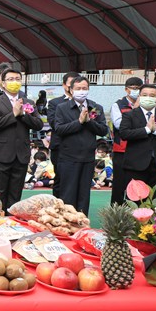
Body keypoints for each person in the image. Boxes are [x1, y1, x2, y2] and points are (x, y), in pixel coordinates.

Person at [0, 69, 45, 212]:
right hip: (1, 154)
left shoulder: (28, 102)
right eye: (11, 79)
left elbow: (38, 124)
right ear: (3, 83)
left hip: (21, 155)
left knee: (15, 194)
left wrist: (23, 114)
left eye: (18, 79)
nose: (15, 82)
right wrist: (13, 114)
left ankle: (13, 223)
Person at [53, 76, 109, 214]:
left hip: (88, 157)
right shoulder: (62, 108)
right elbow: (59, 129)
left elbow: (103, 130)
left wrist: (89, 121)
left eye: (84, 88)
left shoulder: (95, 107)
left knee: (84, 194)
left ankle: (82, 223)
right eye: (78, 88)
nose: (81, 91)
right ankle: (66, 222)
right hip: (68, 157)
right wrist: (79, 122)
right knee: (68, 193)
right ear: (71, 90)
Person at [109, 76, 144, 204]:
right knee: (120, 183)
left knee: (138, 184)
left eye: (138, 89)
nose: (136, 91)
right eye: (133, 88)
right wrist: (135, 111)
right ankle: (116, 212)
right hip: (122, 149)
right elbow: (119, 125)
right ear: (126, 90)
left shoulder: (146, 105)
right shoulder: (118, 105)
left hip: (140, 149)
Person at [46, 72, 79, 199]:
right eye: (71, 84)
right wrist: (78, 123)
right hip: (60, 147)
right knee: (60, 179)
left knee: (77, 179)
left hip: (79, 147)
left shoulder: (87, 104)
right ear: (64, 85)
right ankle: (58, 207)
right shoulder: (55, 103)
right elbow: (55, 124)